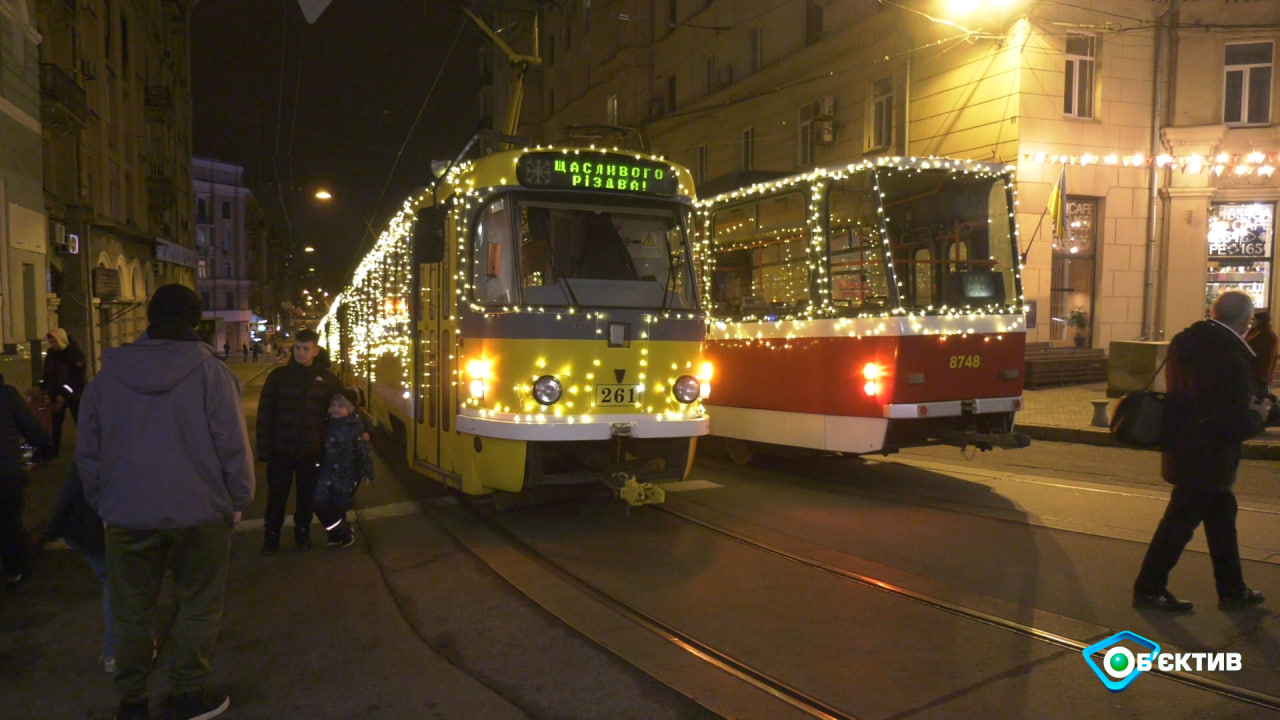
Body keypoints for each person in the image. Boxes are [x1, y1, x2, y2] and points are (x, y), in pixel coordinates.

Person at [78, 283, 254, 720]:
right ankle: (186, 696)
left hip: (127, 515)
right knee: (198, 602)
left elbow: (89, 453)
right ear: (195, 322)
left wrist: (107, 502)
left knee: (131, 610)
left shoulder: (107, 378)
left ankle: (132, 701)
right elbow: (232, 446)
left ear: (151, 319)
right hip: (200, 513)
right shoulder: (212, 374)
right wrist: (238, 497)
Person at [1132, 291, 1271, 613]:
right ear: (1246, 322)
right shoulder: (1231, 358)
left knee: (1222, 521)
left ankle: (1233, 589)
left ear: (1213, 312)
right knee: (1178, 526)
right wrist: (1258, 416)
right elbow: (1231, 423)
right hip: (1210, 457)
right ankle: (1149, 588)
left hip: (1184, 447)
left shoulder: (1187, 342)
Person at [255, 328, 341, 554]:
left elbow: (342, 411)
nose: (300, 353)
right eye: (297, 349)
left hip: (311, 451)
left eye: (305, 349)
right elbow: (265, 415)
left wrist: (361, 431)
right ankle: (271, 537)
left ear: (316, 351)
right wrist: (264, 449)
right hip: (281, 451)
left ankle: (302, 534)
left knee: (306, 498)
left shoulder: (327, 380)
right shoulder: (278, 377)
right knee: (276, 498)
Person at [42, 463, 113, 673]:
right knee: (117, 585)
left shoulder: (91, 448)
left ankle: (118, 650)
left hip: (81, 532)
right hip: (98, 531)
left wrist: (52, 530)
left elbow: (68, 491)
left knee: (112, 581)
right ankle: (116, 652)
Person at [1, 372, 54, 590]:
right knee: (10, 522)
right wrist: (43, 448)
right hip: (6, 471)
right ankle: (15, 571)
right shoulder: (8, 395)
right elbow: (35, 431)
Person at [314, 389, 374, 548]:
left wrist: (367, 472)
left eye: (340, 406)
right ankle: (342, 532)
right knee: (320, 502)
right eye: (333, 405)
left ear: (350, 409)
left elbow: (364, 452)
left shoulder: (356, 428)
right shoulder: (325, 424)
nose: (335, 409)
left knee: (338, 505)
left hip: (346, 475)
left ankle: (337, 535)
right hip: (326, 473)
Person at [41, 327, 86, 458]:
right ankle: (54, 451)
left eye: (54, 341)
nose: (52, 345)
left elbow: (77, 379)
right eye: (50, 342)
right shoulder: (51, 354)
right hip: (56, 394)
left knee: (80, 421)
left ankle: (87, 448)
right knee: (55, 424)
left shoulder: (75, 354)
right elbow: (48, 373)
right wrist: (44, 386)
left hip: (74, 396)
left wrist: (64, 394)